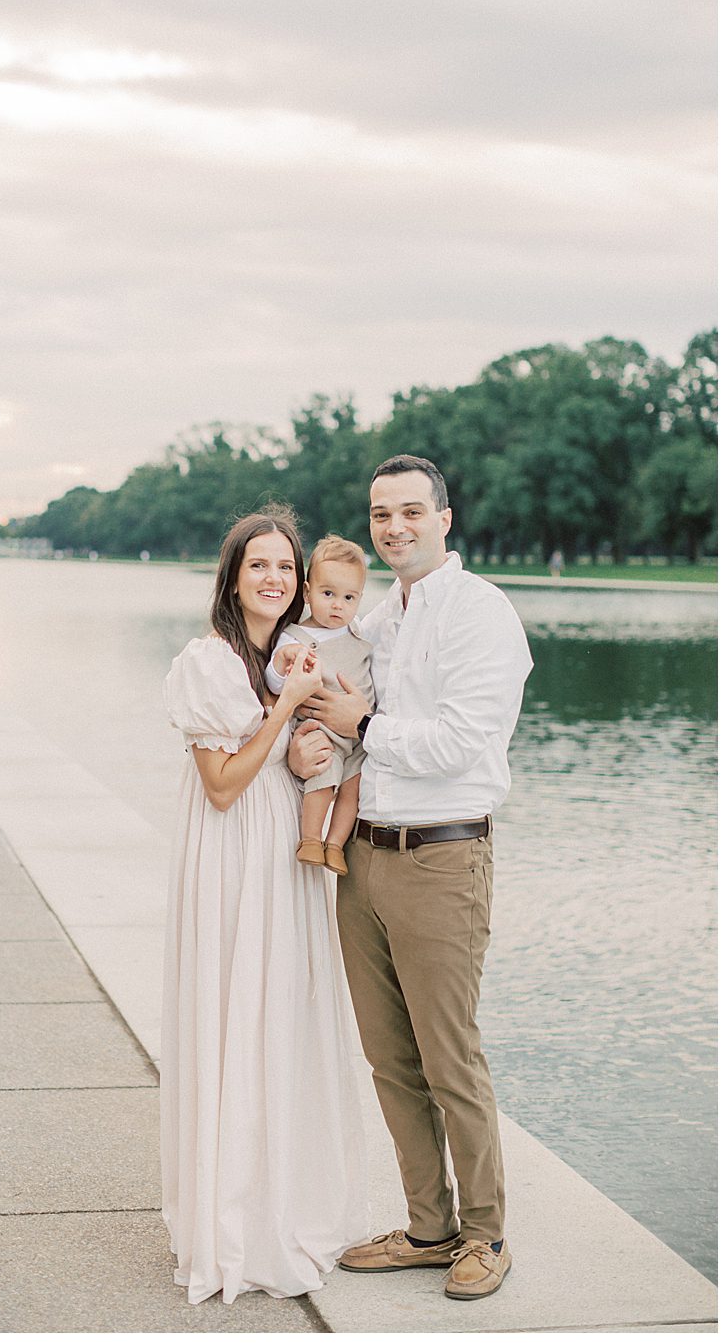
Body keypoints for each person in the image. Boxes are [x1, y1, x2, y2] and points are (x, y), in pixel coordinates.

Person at [290, 456, 532, 1302]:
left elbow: (461, 742)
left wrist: (367, 720)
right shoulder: (382, 619)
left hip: (442, 856)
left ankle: (486, 1231)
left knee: (448, 1055)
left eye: (410, 512)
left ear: (445, 518)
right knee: (390, 1059)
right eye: (379, 514)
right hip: (364, 858)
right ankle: (429, 1225)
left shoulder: (483, 614)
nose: (393, 527)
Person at [161, 506, 369, 1306]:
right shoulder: (209, 662)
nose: (275, 578)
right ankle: (230, 1219)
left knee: (282, 1022)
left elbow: (290, 755)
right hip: (231, 863)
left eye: (286, 566)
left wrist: (306, 749)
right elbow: (220, 787)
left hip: (282, 857)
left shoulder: (291, 654)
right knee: (234, 1017)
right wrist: (289, 718)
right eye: (259, 565)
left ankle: (283, 1197)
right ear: (233, 575)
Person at [264, 535, 374, 877]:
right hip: (320, 731)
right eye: (328, 594)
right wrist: (282, 663)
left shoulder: (358, 634)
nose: (337, 605)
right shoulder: (294, 637)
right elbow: (275, 683)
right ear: (308, 592)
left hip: (359, 735)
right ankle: (311, 838)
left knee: (354, 787)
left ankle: (335, 844)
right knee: (323, 780)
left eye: (348, 598)